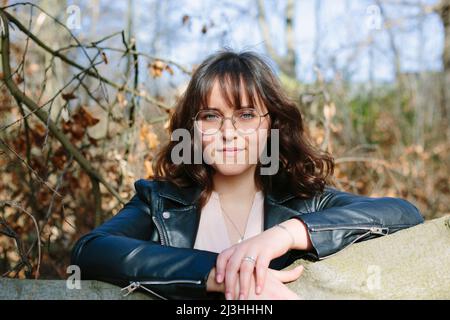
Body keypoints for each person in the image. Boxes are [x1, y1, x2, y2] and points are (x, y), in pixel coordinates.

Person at [71, 49, 424, 300]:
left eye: (245, 115)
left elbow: (405, 216)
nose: (228, 132)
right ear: (192, 129)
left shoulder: (304, 200)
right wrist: (218, 274)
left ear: (273, 126)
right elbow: (90, 251)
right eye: (210, 116)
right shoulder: (160, 200)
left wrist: (285, 235)